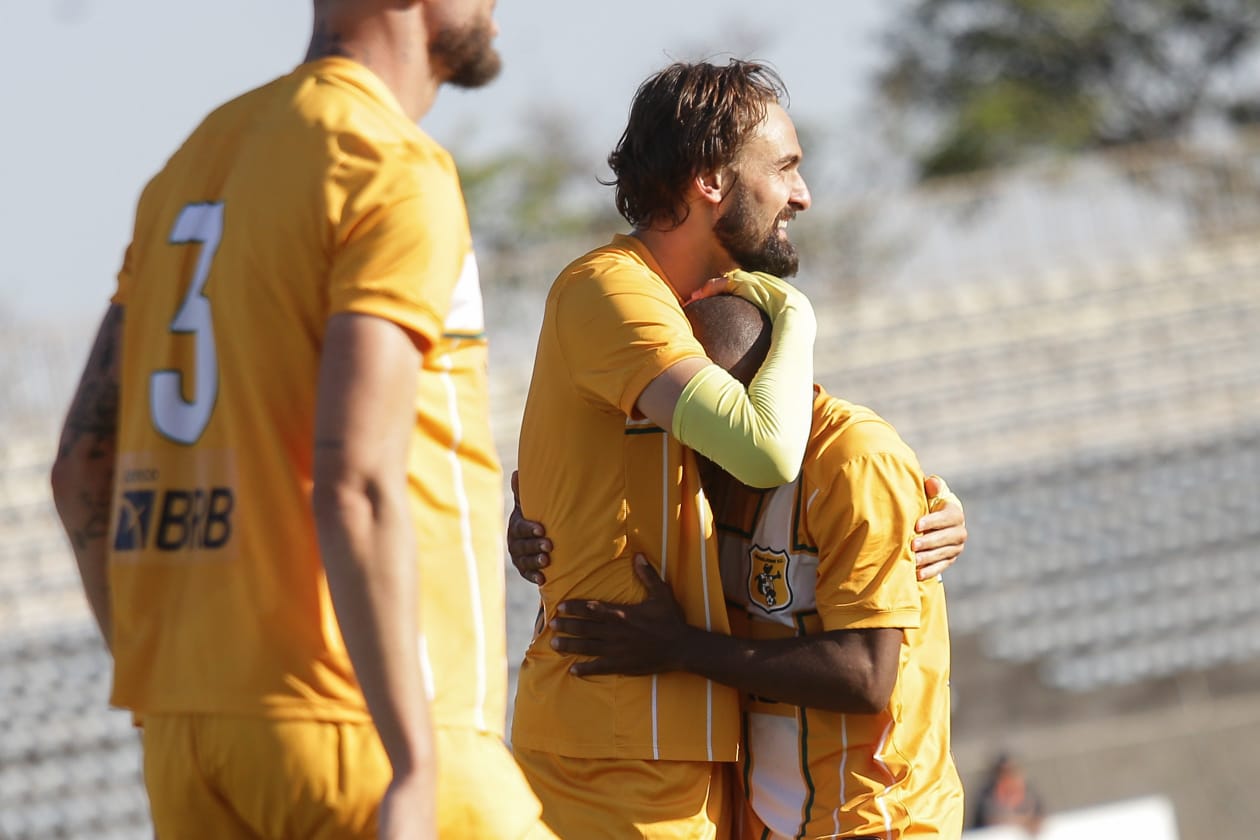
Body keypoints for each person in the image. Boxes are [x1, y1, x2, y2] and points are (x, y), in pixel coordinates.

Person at [49, 2, 551, 838]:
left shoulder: (195, 161)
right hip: (367, 731)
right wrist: (415, 762)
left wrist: (174, 688)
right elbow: (354, 478)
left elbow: (81, 470)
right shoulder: (387, 163)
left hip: (189, 738)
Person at [509, 59, 965, 839]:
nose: (803, 194)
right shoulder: (609, 289)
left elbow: (773, 463)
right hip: (617, 738)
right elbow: (762, 450)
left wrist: (918, 502)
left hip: (688, 745)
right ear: (710, 181)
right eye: (784, 167)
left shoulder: (679, 310)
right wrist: (799, 321)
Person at [547, 293, 967, 839]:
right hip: (772, 818)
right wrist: (533, 529)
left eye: (710, 417)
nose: (690, 435)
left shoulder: (856, 460)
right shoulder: (699, 470)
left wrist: (678, 648)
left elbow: (865, 675)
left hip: (875, 819)